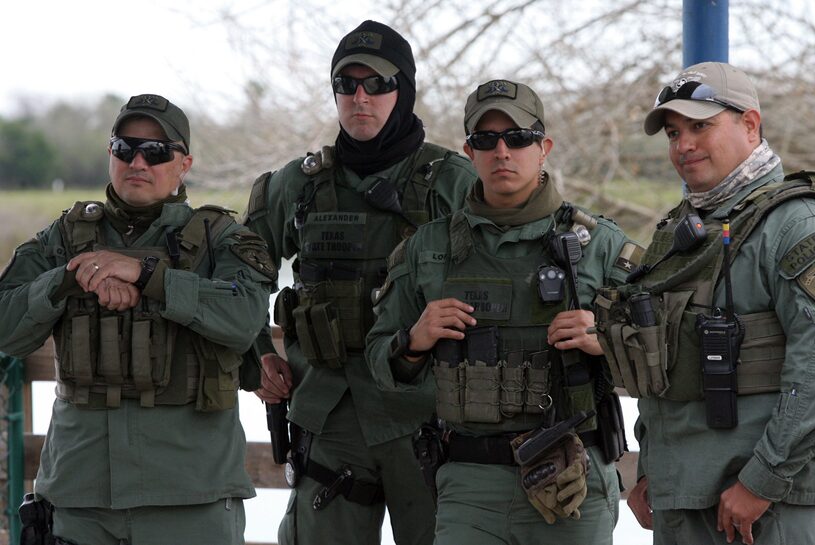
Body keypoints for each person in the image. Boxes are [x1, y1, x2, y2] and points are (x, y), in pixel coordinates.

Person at [365, 79, 644, 545]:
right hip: (469, 486)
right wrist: (414, 341)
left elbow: (659, 363)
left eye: (517, 138)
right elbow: (379, 364)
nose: (502, 152)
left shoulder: (600, 246)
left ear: (544, 147)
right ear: (468, 152)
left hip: (571, 480)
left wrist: (607, 337)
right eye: (485, 140)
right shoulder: (428, 249)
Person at [0, 93, 275, 545]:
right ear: (111, 154)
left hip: (190, 499)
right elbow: (7, 330)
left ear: (184, 164)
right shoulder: (65, 239)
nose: (138, 162)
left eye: (156, 151)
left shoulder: (221, 239)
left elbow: (244, 318)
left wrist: (149, 276)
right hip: (80, 499)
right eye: (125, 148)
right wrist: (70, 277)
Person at [244, 20, 477, 545]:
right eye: (345, 85)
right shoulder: (298, 186)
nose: (359, 98)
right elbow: (236, 277)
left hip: (427, 419)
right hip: (329, 419)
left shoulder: (453, 182)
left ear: (405, 90)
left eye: (377, 83)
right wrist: (255, 353)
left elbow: (508, 274)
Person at [594, 62, 815, 545]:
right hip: (681, 496)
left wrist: (761, 481)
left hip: (762, 508)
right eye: (674, 132)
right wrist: (651, 471)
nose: (684, 145)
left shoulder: (796, 224)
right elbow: (666, 366)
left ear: (749, 124)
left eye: (701, 125)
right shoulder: (680, 233)